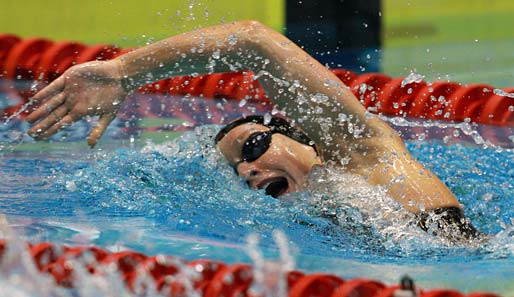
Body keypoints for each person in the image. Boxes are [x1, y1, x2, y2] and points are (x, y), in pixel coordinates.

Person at [25, 21, 479, 241]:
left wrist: (125, 72)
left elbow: (253, 41)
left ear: (303, 134)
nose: (248, 169)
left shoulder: (364, 154)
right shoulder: (313, 222)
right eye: (238, 167)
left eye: (254, 145)